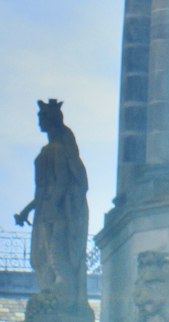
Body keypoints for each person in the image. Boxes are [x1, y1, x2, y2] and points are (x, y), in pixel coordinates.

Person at [14, 99, 91, 315]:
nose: (39, 121)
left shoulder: (57, 150)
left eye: (42, 117)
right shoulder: (52, 149)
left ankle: (61, 297)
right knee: (46, 258)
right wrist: (27, 211)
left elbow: (62, 182)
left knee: (57, 258)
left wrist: (51, 210)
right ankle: (53, 293)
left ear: (51, 120)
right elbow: (42, 191)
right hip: (47, 212)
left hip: (54, 215)